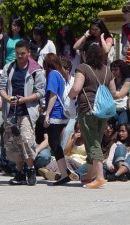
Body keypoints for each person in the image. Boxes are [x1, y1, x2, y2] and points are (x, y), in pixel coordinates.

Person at [68, 44, 117, 189]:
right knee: (94, 141)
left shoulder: (83, 68)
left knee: (92, 143)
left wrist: (69, 96)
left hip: (88, 109)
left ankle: (100, 177)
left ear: (85, 54)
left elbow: (76, 88)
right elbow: (113, 92)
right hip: (103, 112)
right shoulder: (107, 70)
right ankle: (89, 176)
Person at [0, 40, 46, 186]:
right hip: (11, 111)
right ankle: (19, 172)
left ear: (28, 53)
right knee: (13, 143)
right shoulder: (9, 67)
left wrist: (24, 100)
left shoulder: (36, 70)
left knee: (26, 140)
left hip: (27, 111)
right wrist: (8, 98)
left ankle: (30, 169)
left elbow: (41, 92)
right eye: (17, 54)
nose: (19, 56)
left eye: (22, 54)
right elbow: (1, 88)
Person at [43, 53, 78, 185]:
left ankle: (64, 173)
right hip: (62, 114)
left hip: (55, 114)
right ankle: (64, 171)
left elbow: (53, 95)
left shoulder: (52, 74)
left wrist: (47, 114)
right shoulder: (61, 75)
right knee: (55, 143)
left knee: (54, 143)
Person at [110, 60, 130, 125]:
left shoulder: (128, 81)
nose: (113, 72)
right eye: (112, 70)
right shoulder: (113, 81)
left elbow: (120, 96)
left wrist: (111, 93)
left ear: (122, 70)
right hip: (113, 107)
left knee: (122, 123)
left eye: (116, 70)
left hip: (124, 109)